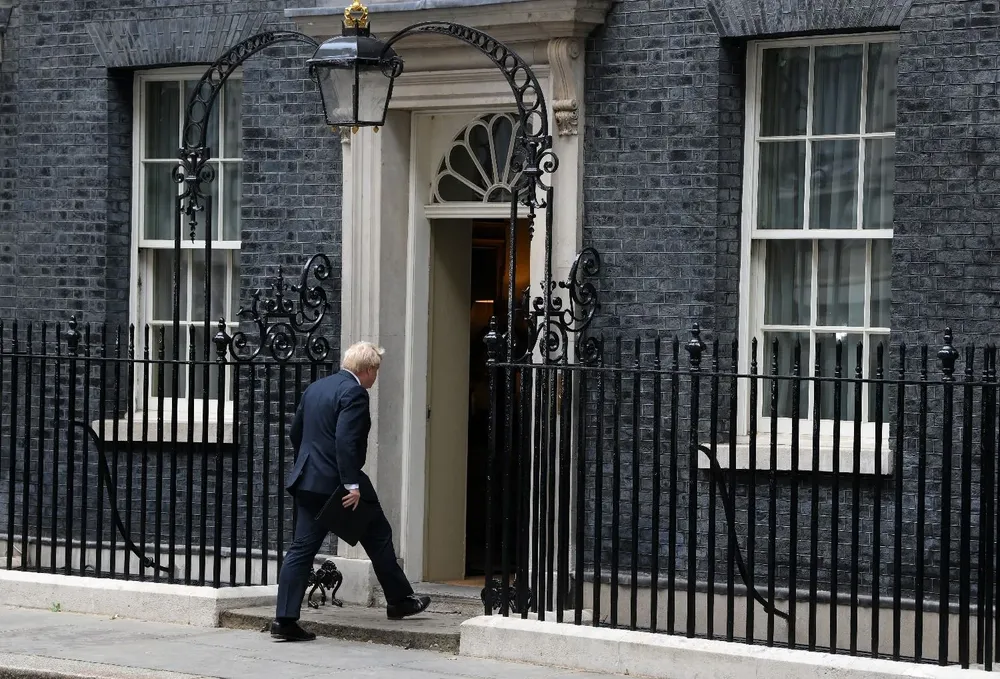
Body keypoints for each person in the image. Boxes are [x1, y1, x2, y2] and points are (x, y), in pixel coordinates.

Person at [271, 341, 430, 641]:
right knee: (379, 532)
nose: (375, 378)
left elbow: (296, 432)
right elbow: (346, 442)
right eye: (376, 371)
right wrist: (351, 485)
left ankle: (284, 620)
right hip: (339, 484)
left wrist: (309, 464)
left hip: (308, 480)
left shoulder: (316, 388)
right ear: (368, 369)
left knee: (301, 549)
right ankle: (398, 601)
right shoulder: (355, 393)